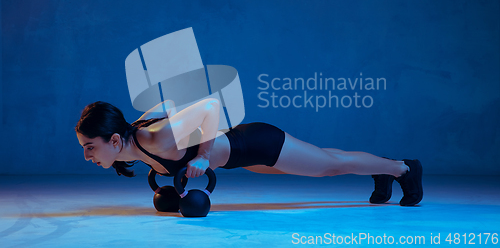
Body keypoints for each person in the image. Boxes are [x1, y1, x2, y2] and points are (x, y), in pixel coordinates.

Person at [75, 99, 423, 206]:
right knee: (324, 158)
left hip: (255, 143)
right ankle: (382, 169)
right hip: (244, 157)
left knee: (328, 166)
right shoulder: (134, 144)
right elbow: (166, 103)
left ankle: (403, 168)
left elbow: (210, 106)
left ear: (114, 140)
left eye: (91, 147)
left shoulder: (153, 137)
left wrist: (202, 155)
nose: (88, 155)